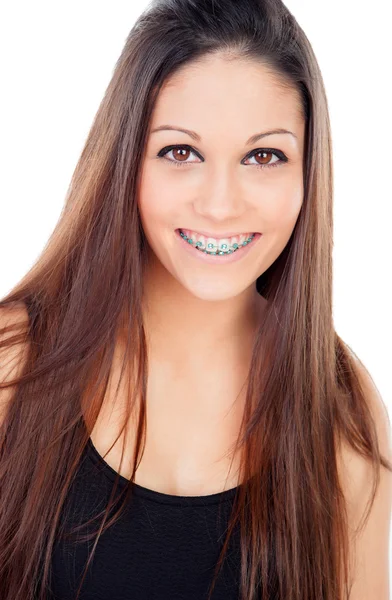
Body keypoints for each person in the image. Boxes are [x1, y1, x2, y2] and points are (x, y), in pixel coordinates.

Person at [0, 1, 391, 599]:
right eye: (181, 152)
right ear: (126, 160)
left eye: (264, 156)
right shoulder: (15, 364)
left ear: (308, 174)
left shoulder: (342, 408)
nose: (219, 204)